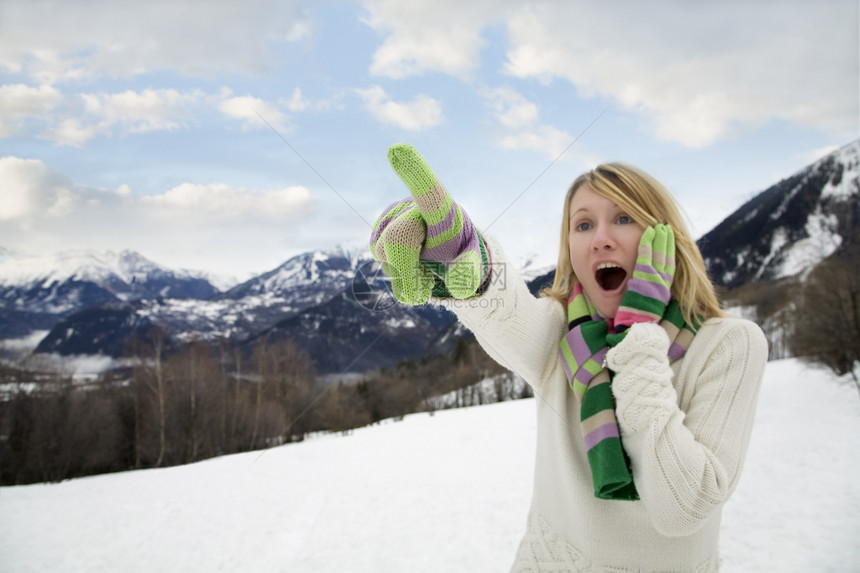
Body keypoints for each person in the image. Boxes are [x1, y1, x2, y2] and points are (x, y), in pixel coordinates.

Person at [371, 143, 768, 572]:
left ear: (664, 238)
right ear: (571, 252)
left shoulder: (730, 344)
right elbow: (506, 312)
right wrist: (463, 255)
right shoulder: (564, 336)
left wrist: (638, 340)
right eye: (582, 225)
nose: (600, 239)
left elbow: (683, 506)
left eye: (623, 218)